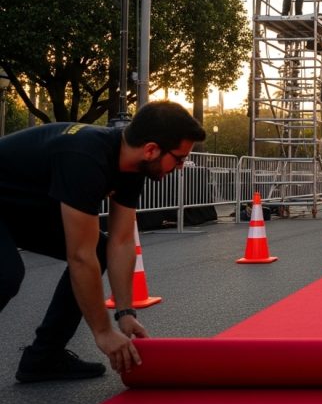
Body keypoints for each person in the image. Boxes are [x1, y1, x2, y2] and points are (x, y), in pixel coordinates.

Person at [0, 101, 205, 383]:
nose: (181, 167)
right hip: (10, 204)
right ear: (151, 149)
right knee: (6, 274)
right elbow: (79, 257)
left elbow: (120, 243)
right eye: (179, 159)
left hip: (16, 208)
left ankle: (44, 357)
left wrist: (125, 313)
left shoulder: (131, 168)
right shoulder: (85, 157)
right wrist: (103, 333)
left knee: (100, 247)